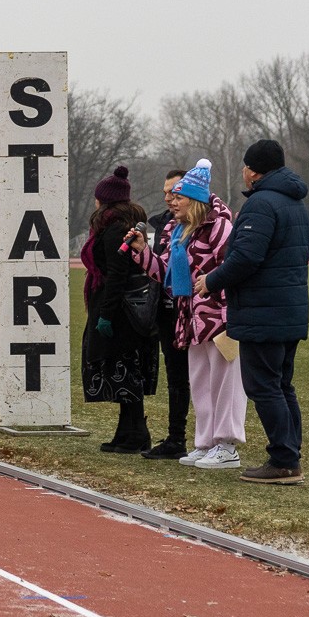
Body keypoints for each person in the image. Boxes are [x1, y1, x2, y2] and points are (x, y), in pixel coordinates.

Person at [196, 140, 309, 485]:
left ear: (252, 170)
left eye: (245, 166)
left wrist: (211, 280)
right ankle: (289, 452)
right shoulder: (295, 203)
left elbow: (246, 258)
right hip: (289, 309)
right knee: (281, 385)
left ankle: (284, 459)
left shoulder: (261, 204)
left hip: (263, 311)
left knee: (263, 385)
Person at [124, 160, 244, 469]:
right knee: (201, 382)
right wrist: (142, 252)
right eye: (172, 196)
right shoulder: (179, 231)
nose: (171, 202)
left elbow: (233, 267)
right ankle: (205, 442)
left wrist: (214, 288)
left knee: (224, 382)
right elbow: (165, 273)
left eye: (178, 197)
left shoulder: (220, 225)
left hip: (219, 317)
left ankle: (227, 444)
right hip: (189, 319)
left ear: (194, 200)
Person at [80, 166, 159, 453]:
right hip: (127, 309)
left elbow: (117, 274)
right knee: (126, 370)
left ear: (106, 200)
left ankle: (136, 433)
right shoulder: (124, 224)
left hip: (121, 311)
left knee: (123, 369)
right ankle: (128, 432)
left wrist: (106, 315)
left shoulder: (114, 229)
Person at [140, 170, 194, 459]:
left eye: (174, 192)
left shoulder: (195, 224)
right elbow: (161, 270)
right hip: (164, 308)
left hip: (187, 310)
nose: (168, 197)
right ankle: (177, 438)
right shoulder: (163, 224)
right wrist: (141, 252)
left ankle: (197, 439)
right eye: (165, 192)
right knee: (175, 376)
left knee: (191, 377)